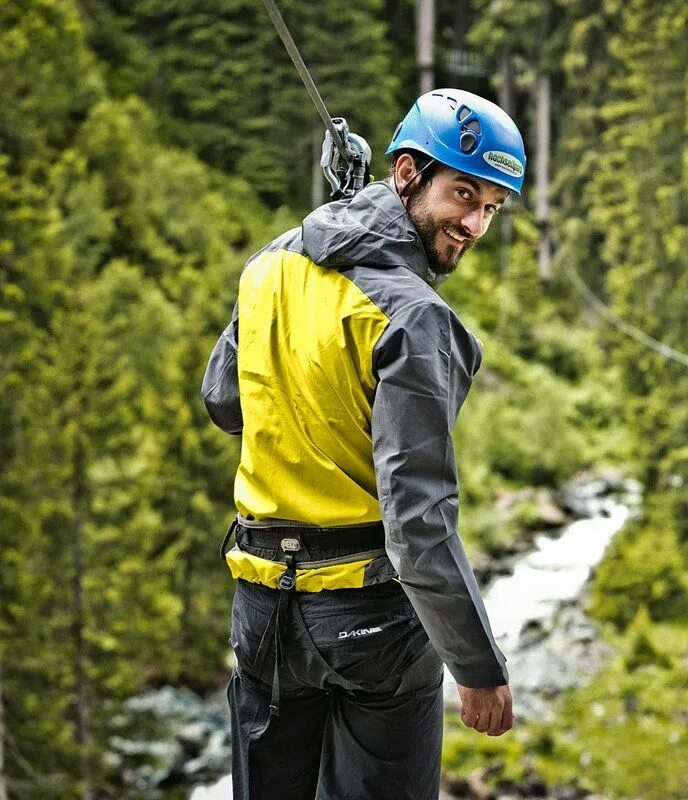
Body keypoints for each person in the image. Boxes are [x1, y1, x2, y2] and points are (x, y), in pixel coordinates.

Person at [200, 88, 527, 799]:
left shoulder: (271, 266)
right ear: (405, 172)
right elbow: (415, 519)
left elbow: (225, 402)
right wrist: (477, 666)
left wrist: (341, 214)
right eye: (463, 194)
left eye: (491, 209)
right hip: (370, 618)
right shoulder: (417, 318)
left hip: (262, 609)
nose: (473, 223)